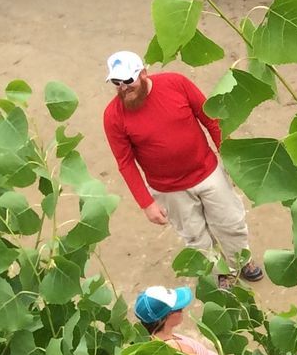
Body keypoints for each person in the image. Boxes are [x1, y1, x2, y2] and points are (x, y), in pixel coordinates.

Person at [102, 52, 263, 285]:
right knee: (195, 237)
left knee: (230, 221)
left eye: (128, 81)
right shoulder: (113, 116)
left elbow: (211, 120)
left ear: (143, 73)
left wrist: (230, 159)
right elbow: (125, 162)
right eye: (116, 83)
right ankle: (218, 276)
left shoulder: (176, 83)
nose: (123, 88)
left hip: (207, 171)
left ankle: (240, 260)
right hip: (168, 189)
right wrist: (146, 203)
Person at [132, 284, 221, 355]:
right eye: (179, 309)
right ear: (166, 318)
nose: (183, 310)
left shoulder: (156, 341)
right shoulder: (181, 351)